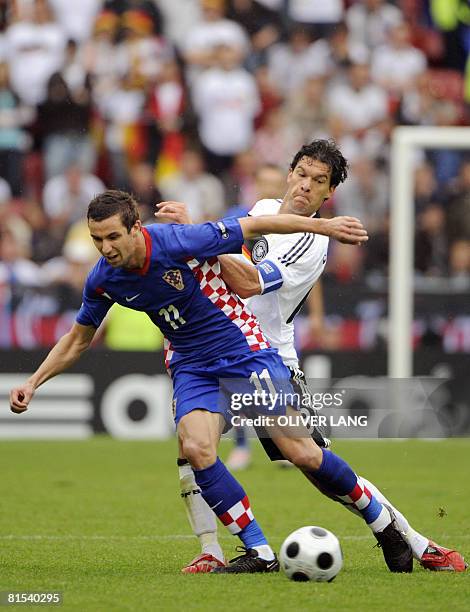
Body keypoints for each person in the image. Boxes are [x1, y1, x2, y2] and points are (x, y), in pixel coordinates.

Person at [10, 184, 371, 575]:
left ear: (135, 228)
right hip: (191, 364)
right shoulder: (102, 279)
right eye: (97, 239)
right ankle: (259, 551)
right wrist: (33, 383)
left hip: (241, 351)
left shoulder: (175, 240)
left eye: (113, 236)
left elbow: (257, 224)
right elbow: (75, 342)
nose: (106, 247)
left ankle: (377, 515)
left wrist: (326, 227)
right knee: (196, 447)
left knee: (302, 453)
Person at [155, 140, 467, 575]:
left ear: (328, 195)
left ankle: (412, 539)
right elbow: (220, 243)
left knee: (306, 459)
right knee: (192, 447)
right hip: (214, 352)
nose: (305, 186)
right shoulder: (264, 207)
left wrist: (194, 234)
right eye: (302, 173)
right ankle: (212, 549)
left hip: (266, 359)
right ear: (289, 174)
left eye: (318, 182)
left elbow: (245, 282)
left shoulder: (310, 242)